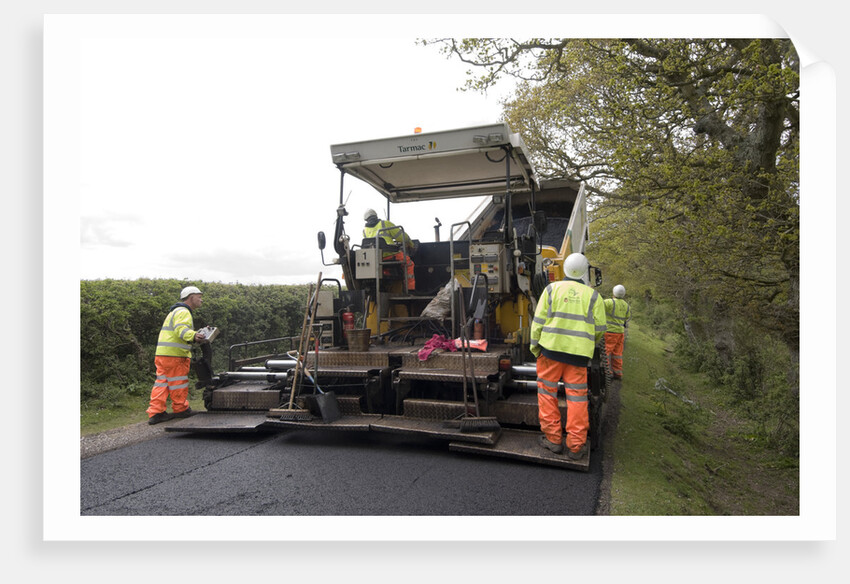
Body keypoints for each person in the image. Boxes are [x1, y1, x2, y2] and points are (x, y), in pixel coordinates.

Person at [530, 253, 606, 460]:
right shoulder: (593, 297)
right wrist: (586, 343)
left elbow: (537, 322)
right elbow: (600, 329)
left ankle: (553, 440)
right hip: (578, 357)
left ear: (564, 269)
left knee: (547, 394)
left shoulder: (551, 290)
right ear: (585, 272)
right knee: (577, 399)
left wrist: (535, 347)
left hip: (550, 352)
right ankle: (575, 446)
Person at [146, 286, 206, 424]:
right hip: (174, 356)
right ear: (191, 297)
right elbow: (181, 329)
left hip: (163, 354)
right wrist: (194, 335)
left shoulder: (175, 311)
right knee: (178, 382)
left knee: (162, 383)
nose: (201, 300)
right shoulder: (184, 312)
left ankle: (156, 413)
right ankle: (181, 409)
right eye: (199, 296)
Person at [363, 208, 416, 291]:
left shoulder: (365, 231)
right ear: (376, 216)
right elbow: (402, 237)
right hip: (390, 255)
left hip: (375, 259)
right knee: (409, 263)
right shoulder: (385, 224)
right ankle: (410, 289)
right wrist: (410, 243)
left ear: (366, 219)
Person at [604, 284, 631, 380]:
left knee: (606, 352)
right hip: (620, 333)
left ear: (613, 292)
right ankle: (618, 373)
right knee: (617, 354)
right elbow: (627, 317)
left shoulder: (608, 302)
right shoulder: (626, 305)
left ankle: (606, 372)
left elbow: (597, 307)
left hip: (610, 332)